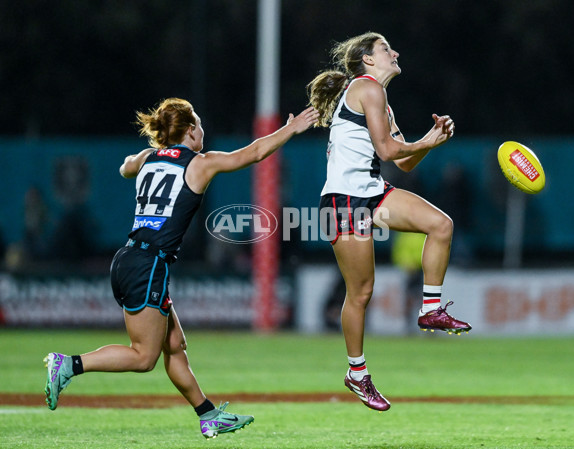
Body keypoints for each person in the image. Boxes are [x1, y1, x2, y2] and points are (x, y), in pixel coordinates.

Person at [43, 98, 319, 438]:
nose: (202, 130)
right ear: (190, 130)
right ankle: (68, 365)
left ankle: (208, 414)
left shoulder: (148, 157)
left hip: (130, 258)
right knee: (144, 357)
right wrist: (291, 128)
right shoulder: (200, 164)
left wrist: (151, 154)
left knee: (174, 345)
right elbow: (255, 152)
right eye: (199, 125)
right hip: (149, 264)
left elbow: (125, 167)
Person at [307, 32, 471, 412]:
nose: (395, 52)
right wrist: (424, 142)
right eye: (385, 49)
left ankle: (430, 309)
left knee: (441, 225)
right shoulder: (366, 89)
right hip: (343, 201)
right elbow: (388, 149)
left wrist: (430, 142)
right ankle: (357, 371)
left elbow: (403, 162)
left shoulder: (381, 101)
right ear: (367, 60)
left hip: (373, 193)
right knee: (361, 293)